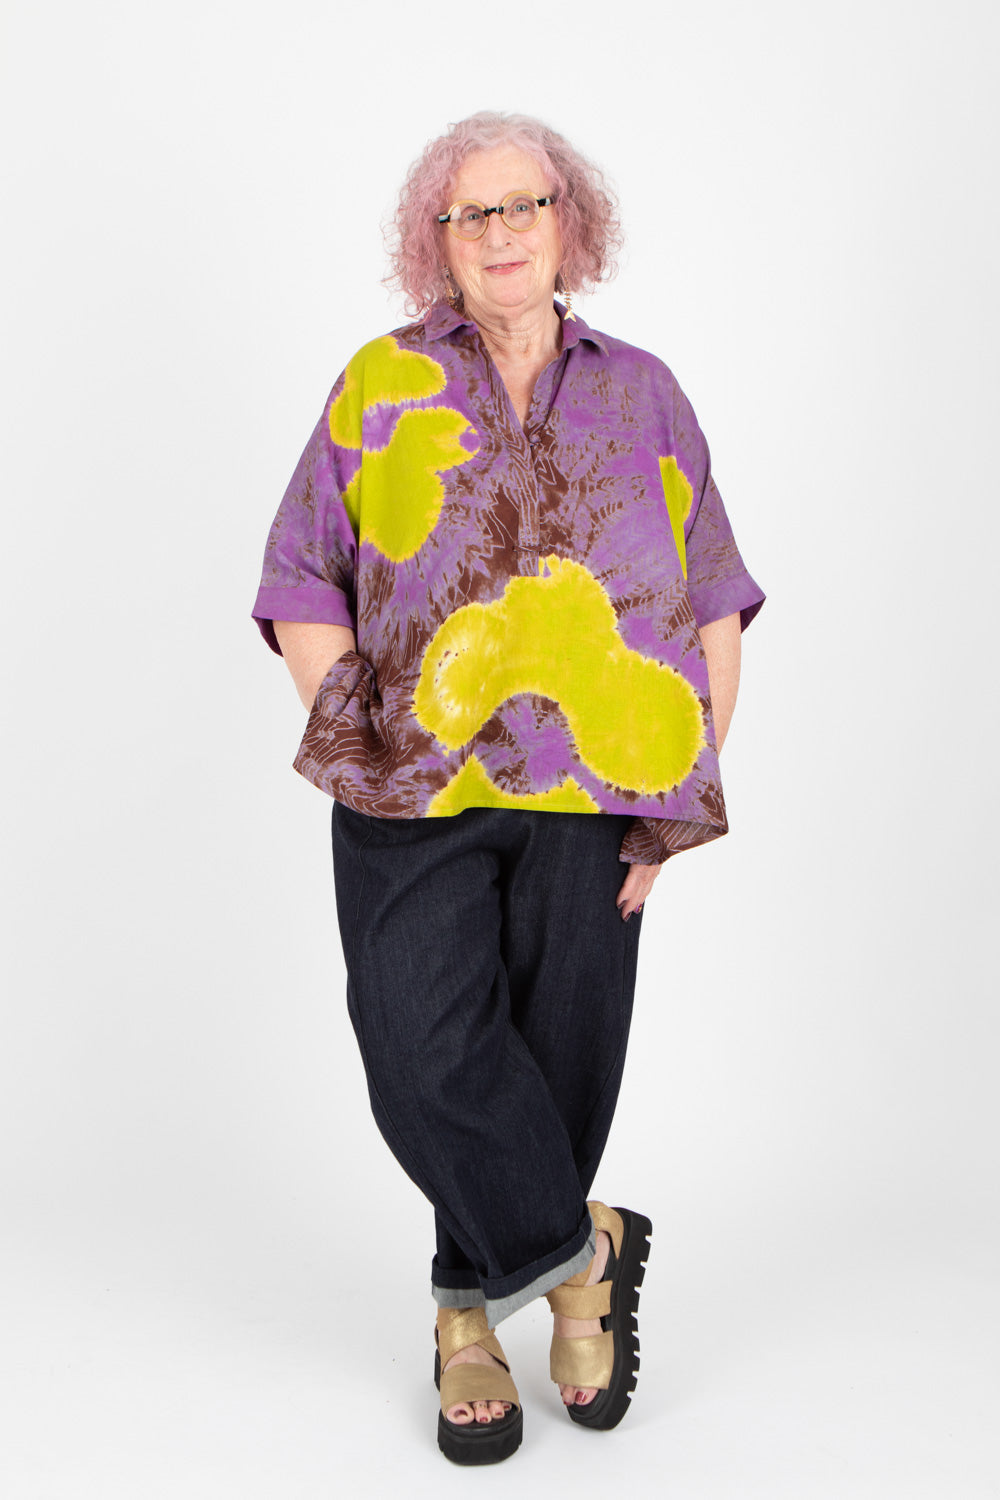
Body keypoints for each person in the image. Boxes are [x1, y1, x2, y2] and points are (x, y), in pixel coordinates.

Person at [252, 111, 764, 1466]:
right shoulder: (380, 384)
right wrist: (359, 738)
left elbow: (711, 599)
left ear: (568, 222)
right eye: (470, 213)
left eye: (524, 205)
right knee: (422, 1048)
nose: (500, 233)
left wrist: (676, 802)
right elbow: (302, 577)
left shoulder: (646, 393)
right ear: (437, 240)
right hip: (414, 784)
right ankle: (585, 1254)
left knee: (554, 1064)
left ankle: (467, 1319)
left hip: (597, 795)